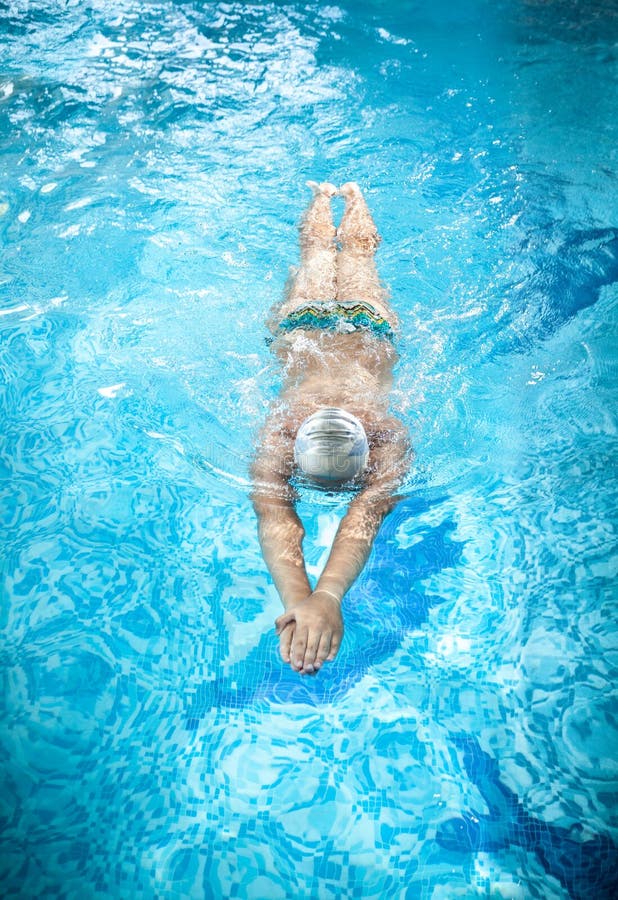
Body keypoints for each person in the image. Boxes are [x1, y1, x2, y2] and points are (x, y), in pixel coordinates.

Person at [251, 181, 410, 677]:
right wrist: (318, 596)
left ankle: (339, 197)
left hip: (369, 327)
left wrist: (312, 596)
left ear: (296, 452)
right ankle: (332, 198)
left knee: (355, 255)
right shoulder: (286, 431)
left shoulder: (384, 432)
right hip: (301, 327)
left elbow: (280, 521)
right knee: (316, 252)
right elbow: (362, 517)